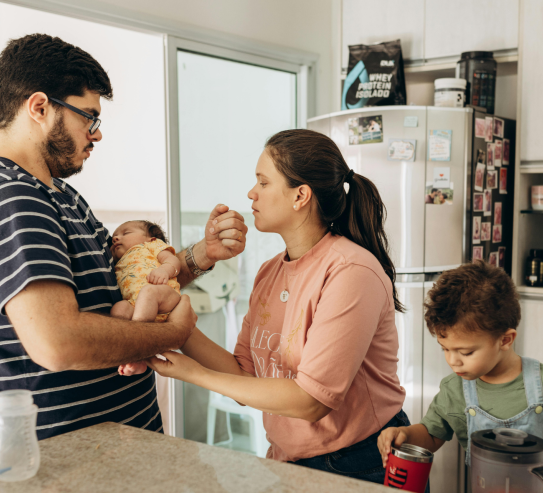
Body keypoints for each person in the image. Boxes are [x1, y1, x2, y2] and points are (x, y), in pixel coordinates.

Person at [0, 34, 247, 452]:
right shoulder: (11, 200)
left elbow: (128, 279)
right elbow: (59, 343)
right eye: (88, 118)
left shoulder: (59, 194)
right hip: (70, 461)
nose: (96, 135)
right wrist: (172, 334)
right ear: (39, 107)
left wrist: (200, 256)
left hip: (119, 446)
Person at [146, 129, 407, 484]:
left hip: (359, 461)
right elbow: (244, 377)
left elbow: (311, 401)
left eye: (263, 182)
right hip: (288, 459)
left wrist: (192, 373)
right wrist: (179, 327)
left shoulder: (351, 272)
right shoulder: (270, 271)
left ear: (301, 195)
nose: (251, 193)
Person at [377, 262, 543, 492]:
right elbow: (431, 434)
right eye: (445, 348)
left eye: (466, 352)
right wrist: (405, 434)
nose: (453, 361)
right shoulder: (454, 391)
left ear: (505, 340)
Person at [110, 221, 182, 376]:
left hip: (164, 297)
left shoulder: (151, 246)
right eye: (114, 237)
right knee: (119, 308)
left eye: (125, 233)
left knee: (148, 292)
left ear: (151, 238)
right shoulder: (118, 262)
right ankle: (128, 353)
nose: (116, 238)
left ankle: (138, 350)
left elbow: (173, 261)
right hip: (138, 308)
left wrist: (165, 270)